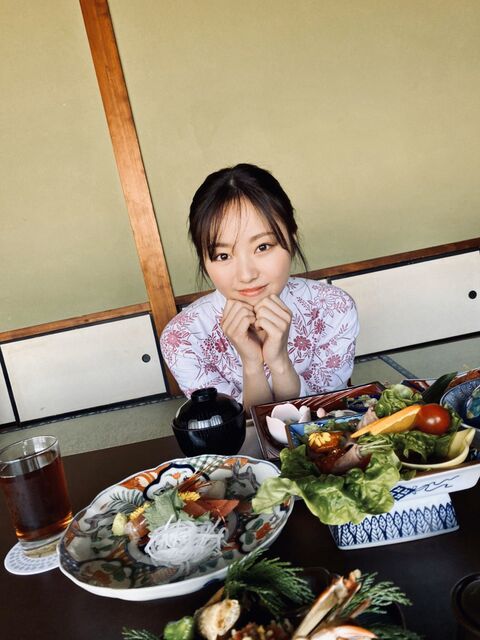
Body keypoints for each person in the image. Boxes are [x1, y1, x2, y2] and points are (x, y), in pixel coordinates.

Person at [160, 163, 359, 410]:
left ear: (292, 236)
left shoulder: (333, 308)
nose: (246, 275)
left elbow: (326, 417)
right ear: (204, 259)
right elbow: (230, 426)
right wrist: (252, 365)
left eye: (262, 247)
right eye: (223, 255)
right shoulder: (182, 337)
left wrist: (280, 362)